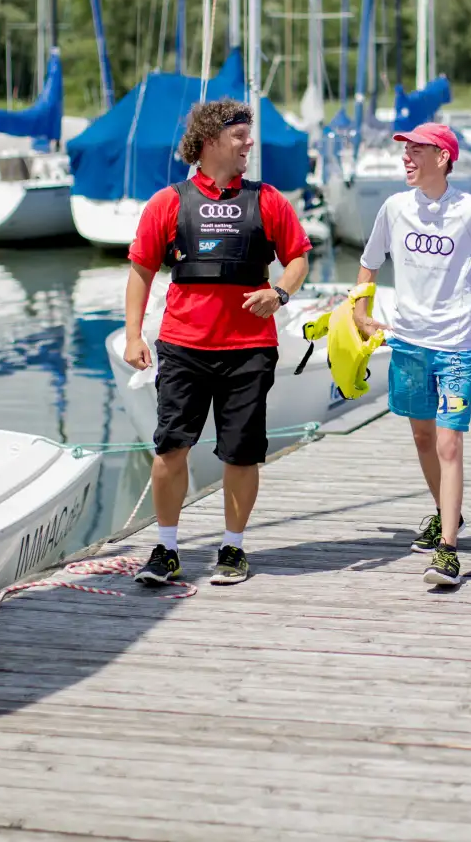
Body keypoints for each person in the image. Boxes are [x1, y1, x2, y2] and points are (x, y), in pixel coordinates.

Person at [124, 98, 311, 587]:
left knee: (242, 453)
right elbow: (141, 271)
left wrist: (280, 292)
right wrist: (132, 336)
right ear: (210, 140)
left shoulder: (268, 200)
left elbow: (297, 258)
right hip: (184, 346)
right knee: (170, 449)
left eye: (249, 135)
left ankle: (233, 547)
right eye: (240, 135)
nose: (249, 143)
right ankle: (166, 548)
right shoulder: (169, 202)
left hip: (249, 349)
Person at [353, 122, 471, 586]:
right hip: (407, 342)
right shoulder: (393, 208)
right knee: (423, 439)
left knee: (449, 443)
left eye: (416, 151)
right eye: (404, 151)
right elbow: (369, 263)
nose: (405, 158)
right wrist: (361, 313)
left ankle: (448, 550)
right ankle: (449, 514)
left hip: (456, 349)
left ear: (443, 158)